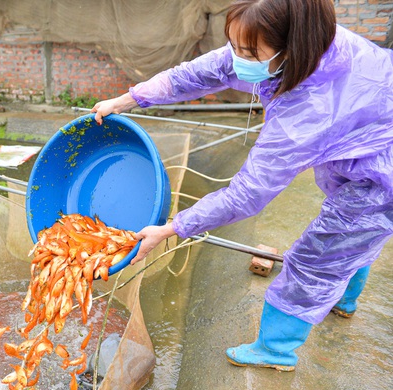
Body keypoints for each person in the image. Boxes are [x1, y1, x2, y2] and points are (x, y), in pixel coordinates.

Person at [91, 0, 392, 371]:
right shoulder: (308, 45)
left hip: (384, 173)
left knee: (328, 249)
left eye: (248, 52)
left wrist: (171, 228)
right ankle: (343, 301)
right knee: (353, 240)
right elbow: (199, 73)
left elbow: (247, 194)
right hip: (365, 136)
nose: (236, 58)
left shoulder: (307, 111)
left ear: (292, 48)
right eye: (235, 45)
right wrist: (127, 100)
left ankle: (276, 350)